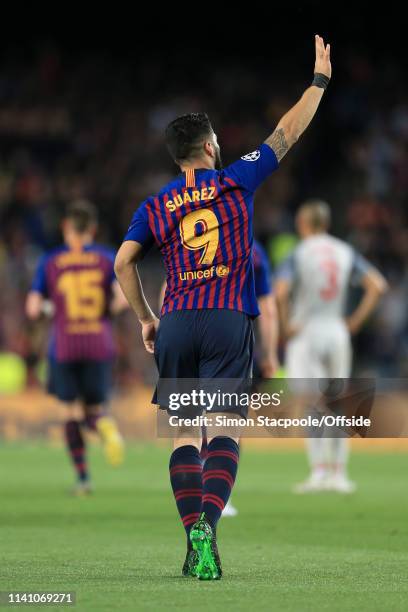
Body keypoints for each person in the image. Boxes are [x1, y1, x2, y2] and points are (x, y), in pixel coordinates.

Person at [114, 35, 332, 579]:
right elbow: (288, 130)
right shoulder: (237, 179)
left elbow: (122, 263)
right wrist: (319, 82)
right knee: (227, 430)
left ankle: (194, 541)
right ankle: (209, 523)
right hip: (227, 319)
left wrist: (146, 318)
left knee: (185, 436)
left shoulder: (155, 203)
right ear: (211, 148)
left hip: (177, 323)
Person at [275, 199, 388, 493]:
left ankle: (319, 472)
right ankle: (339, 474)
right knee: (337, 401)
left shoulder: (298, 253)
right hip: (336, 329)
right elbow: (377, 285)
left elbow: (281, 290)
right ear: (325, 223)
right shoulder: (344, 250)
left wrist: (286, 326)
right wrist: (354, 321)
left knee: (312, 403)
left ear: (303, 224)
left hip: (306, 331)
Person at [26, 200, 127, 495]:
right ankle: (104, 425)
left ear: (65, 228)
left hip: (65, 344)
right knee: (93, 407)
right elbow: (121, 300)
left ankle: (83, 479)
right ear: (93, 229)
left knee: (70, 411)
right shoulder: (107, 258)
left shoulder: (51, 261)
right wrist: (105, 311)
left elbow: (32, 308)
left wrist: (48, 308)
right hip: (99, 342)